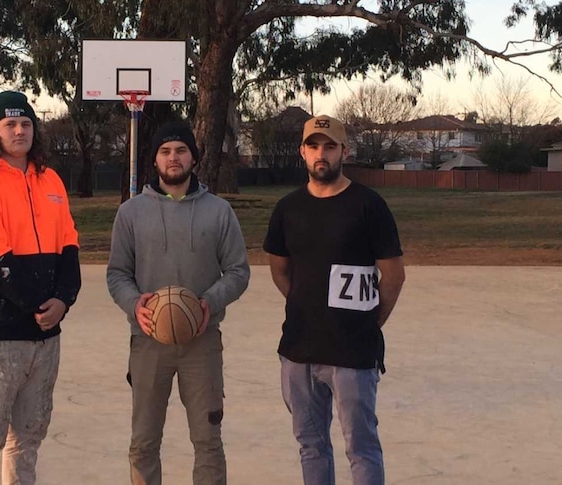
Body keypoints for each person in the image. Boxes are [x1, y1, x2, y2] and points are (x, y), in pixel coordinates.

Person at [0, 91, 81, 485]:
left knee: (27, 438)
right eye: (10, 124)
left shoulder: (50, 179)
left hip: (44, 338)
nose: (19, 131)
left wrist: (64, 300)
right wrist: (43, 305)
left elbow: (69, 246)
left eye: (26, 123)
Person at [263, 114, 406, 485]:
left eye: (329, 146)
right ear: (302, 152)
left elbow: (392, 276)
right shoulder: (288, 208)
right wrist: (305, 305)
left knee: (361, 447)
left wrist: (370, 323)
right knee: (311, 445)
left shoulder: (368, 205)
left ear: (345, 150)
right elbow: (280, 270)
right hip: (299, 350)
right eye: (313, 146)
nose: (321, 153)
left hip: (353, 352)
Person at [106, 120, 250, 485]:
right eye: (166, 151)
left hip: (201, 342)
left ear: (194, 157)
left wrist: (208, 302)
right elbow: (117, 274)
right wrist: (135, 304)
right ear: (154, 160)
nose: (174, 158)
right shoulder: (131, 213)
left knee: (207, 439)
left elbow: (238, 271)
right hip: (148, 341)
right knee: (143, 441)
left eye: (181, 150)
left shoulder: (218, 211)